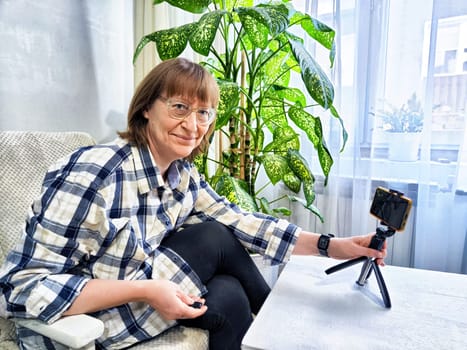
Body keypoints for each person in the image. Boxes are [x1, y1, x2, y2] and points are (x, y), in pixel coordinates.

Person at [0, 57, 386, 350]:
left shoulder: (180, 174)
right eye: (179, 108)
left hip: (138, 289)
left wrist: (332, 247)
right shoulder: (95, 173)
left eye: (204, 112)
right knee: (212, 237)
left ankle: (282, 335)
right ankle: (289, 335)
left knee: (230, 293)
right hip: (79, 326)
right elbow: (21, 288)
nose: (194, 124)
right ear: (147, 108)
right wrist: (147, 290)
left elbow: (241, 221)